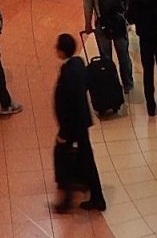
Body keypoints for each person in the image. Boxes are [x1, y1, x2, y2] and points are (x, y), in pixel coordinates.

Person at [53, 32, 106, 214]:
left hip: (73, 125)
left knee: (62, 155)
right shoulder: (78, 64)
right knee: (86, 157)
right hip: (81, 121)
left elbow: (68, 105)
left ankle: (68, 199)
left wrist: (64, 133)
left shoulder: (68, 73)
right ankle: (96, 196)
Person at [81, 0, 135, 93]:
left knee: (106, 58)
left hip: (102, 23)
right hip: (119, 20)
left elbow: (88, 6)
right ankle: (128, 85)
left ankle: (112, 86)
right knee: (124, 55)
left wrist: (87, 24)